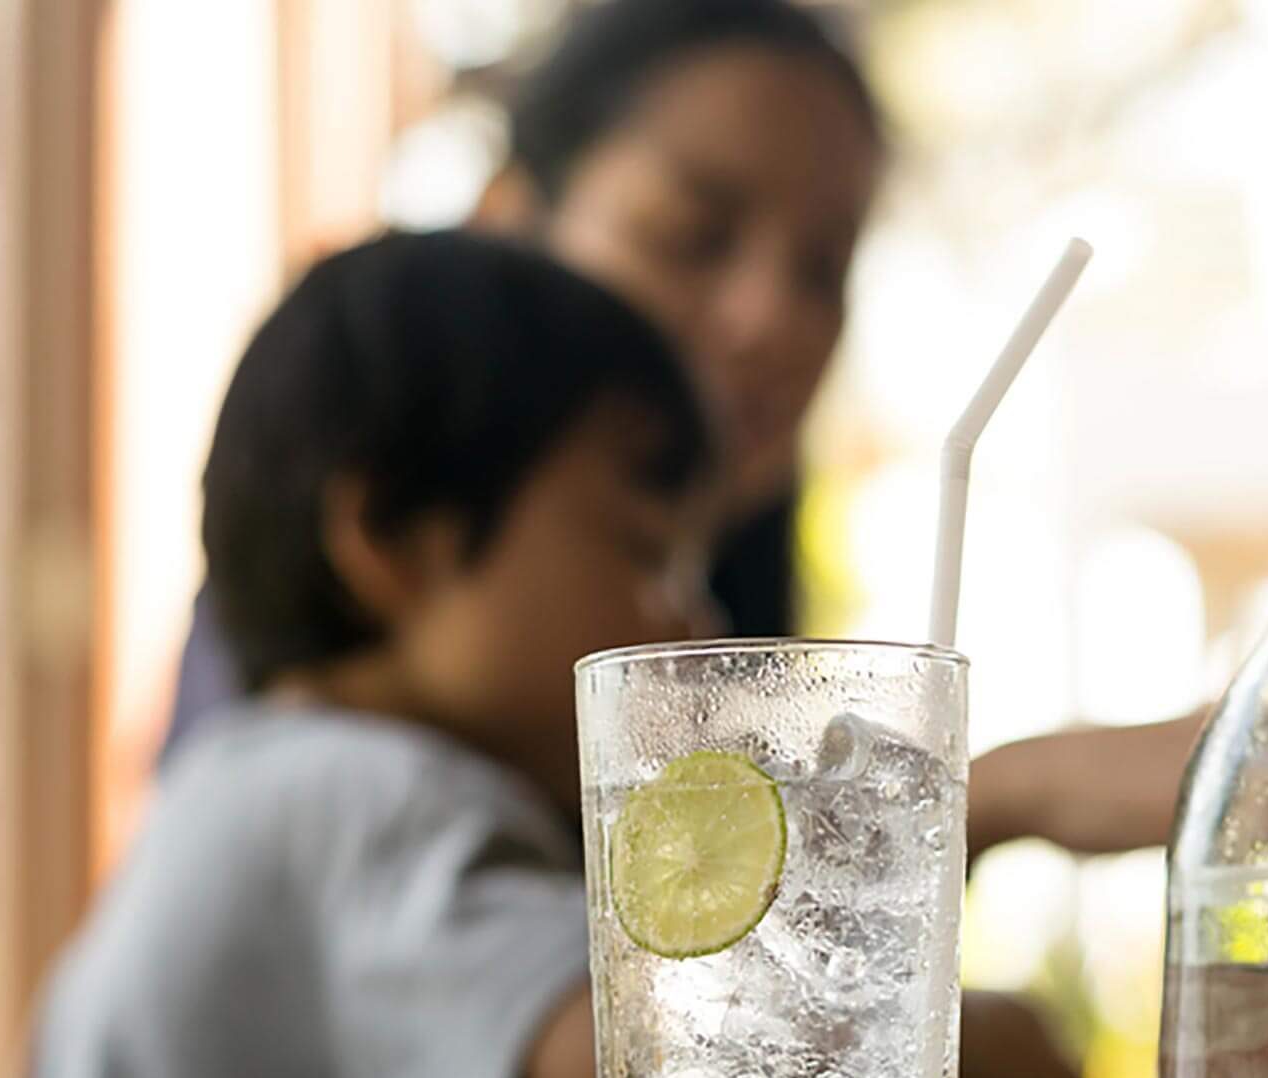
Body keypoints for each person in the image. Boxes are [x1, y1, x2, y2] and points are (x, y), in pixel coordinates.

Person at [0, 231, 1186, 1078]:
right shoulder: (376, 803)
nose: (685, 606)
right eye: (643, 548)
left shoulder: (209, 808)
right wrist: (994, 834)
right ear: (395, 544)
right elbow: (690, 1070)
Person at [162, 0, 879, 749]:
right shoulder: (323, 689)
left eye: (824, 271)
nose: (774, 320)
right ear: (510, 221)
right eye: (692, 237)